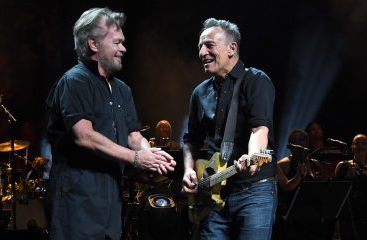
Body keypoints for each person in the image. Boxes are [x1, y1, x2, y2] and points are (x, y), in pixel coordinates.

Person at [45, 8, 176, 240]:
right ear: (94, 44)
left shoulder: (122, 89)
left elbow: (133, 136)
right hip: (77, 200)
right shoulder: (74, 82)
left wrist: (150, 155)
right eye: (117, 42)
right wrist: (136, 158)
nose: (123, 48)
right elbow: (84, 136)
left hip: (111, 201)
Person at [181, 18, 277, 240]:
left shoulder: (256, 81)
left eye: (209, 45)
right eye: (200, 47)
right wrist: (188, 170)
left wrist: (253, 157)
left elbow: (259, 130)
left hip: (255, 192)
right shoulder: (199, 93)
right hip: (213, 196)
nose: (202, 52)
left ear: (232, 48)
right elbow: (191, 140)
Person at [334, 133, 367, 240]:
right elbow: (335, 195)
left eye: (364, 144)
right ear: (352, 147)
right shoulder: (343, 165)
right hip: (348, 217)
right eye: (357, 144)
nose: (360, 147)